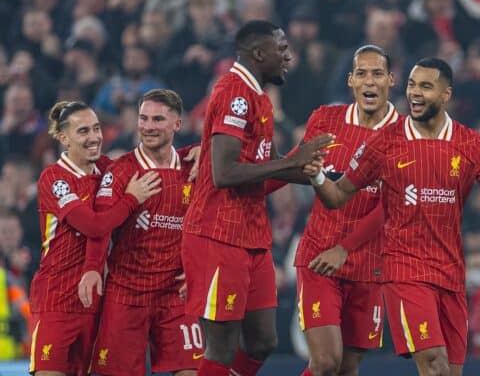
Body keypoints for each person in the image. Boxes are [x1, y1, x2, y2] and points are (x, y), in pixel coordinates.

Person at [304, 57, 480, 376]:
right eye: (412, 85)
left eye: (426, 86)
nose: (415, 93)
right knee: (435, 366)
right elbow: (338, 195)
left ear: (446, 94)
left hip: (450, 274)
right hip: (405, 271)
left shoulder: (468, 142)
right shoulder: (385, 142)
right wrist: (316, 176)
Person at [181, 20, 333, 376]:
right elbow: (224, 172)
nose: (288, 57)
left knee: (264, 340)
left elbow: (270, 174)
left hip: (252, 236)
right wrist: (291, 161)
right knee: (221, 346)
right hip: (217, 234)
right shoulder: (234, 92)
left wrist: (323, 172)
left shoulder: (261, 100)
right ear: (259, 53)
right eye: (281, 50)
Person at [29, 101, 160, 376]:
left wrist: (189, 153)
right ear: (64, 138)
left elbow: (151, 162)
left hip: (93, 302)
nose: (94, 137)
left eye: (97, 129)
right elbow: (94, 226)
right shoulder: (54, 178)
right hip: (56, 299)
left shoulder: (106, 170)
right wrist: (131, 199)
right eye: (83, 131)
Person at [289, 44, 397, 376]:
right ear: (350, 81)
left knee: (347, 369)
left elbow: (389, 209)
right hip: (320, 259)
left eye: (377, 73)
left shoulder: (405, 137)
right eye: (361, 73)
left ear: (391, 80)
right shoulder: (326, 120)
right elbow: (293, 166)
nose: (369, 81)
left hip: (370, 268)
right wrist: (240, 181)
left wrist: (346, 249)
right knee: (324, 363)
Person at [78, 89, 201, 376]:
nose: (148, 126)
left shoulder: (193, 169)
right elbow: (101, 226)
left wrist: (201, 268)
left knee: (192, 371)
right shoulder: (121, 172)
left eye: (158, 119)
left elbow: (208, 225)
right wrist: (93, 268)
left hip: (175, 294)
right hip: (126, 293)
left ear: (177, 125)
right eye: (143, 119)